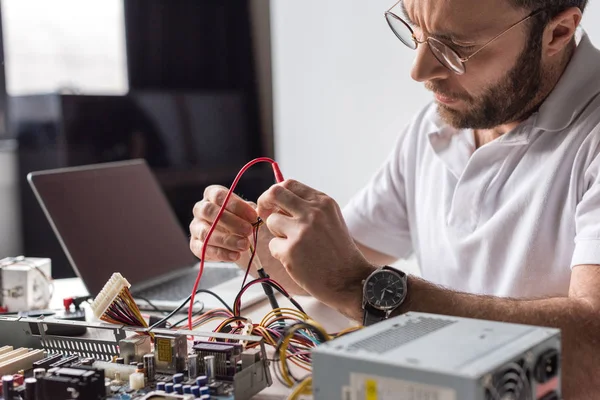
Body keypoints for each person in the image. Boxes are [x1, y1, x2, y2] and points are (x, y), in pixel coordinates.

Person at [189, 0, 599, 397]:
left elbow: (594, 346)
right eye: (415, 30)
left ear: (558, 32)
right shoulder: (435, 128)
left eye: (456, 47)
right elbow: (328, 270)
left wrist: (361, 287)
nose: (419, 70)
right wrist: (251, 243)